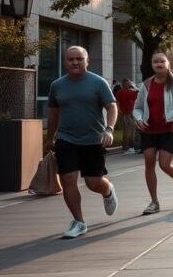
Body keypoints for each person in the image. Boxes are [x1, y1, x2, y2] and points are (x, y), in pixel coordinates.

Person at [45, 46, 120, 239]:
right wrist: (49, 137)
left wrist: (109, 129)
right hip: (66, 139)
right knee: (68, 179)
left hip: (93, 140)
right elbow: (53, 113)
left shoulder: (98, 82)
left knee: (93, 182)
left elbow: (112, 107)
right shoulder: (57, 85)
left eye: (79, 59)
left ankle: (107, 189)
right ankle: (79, 221)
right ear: (65, 62)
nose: (75, 62)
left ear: (87, 61)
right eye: (71, 59)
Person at [133, 53, 173, 215]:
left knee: (164, 165)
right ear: (152, 65)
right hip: (149, 129)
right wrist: (138, 118)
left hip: (168, 129)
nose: (159, 64)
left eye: (162, 61)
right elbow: (137, 107)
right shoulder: (146, 85)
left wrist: (170, 115)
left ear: (168, 64)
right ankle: (154, 202)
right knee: (149, 162)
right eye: (155, 61)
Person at [115, 79, 139, 153]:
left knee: (132, 129)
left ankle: (130, 145)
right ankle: (126, 145)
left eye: (129, 83)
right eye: (127, 83)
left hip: (132, 112)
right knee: (127, 129)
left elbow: (139, 93)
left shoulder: (133, 92)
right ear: (123, 84)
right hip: (126, 112)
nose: (128, 85)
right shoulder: (120, 92)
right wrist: (119, 110)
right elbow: (117, 102)